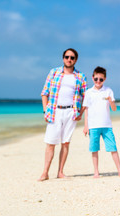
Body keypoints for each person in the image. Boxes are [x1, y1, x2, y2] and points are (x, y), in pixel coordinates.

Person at [38, 48, 87, 181]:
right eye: (67, 57)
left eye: (72, 57)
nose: (69, 59)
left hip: (71, 112)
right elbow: (44, 93)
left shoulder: (80, 76)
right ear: (63, 58)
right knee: (50, 142)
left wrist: (80, 113)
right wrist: (45, 110)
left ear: (75, 60)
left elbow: (86, 97)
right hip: (55, 111)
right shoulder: (54, 73)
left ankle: (60, 172)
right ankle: (45, 172)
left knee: (65, 143)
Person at [82, 66, 120, 178]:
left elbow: (114, 108)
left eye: (101, 79)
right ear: (92, 78)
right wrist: (86, 126)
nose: (98, 81)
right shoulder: (88, 92)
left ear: (105, 79)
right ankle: (96, 172)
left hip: (107, 126)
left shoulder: (108, 91)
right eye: (96, 79)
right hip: (93, 126)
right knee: (94, 149)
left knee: (113, 147)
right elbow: (86, 110)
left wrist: (110, 101)